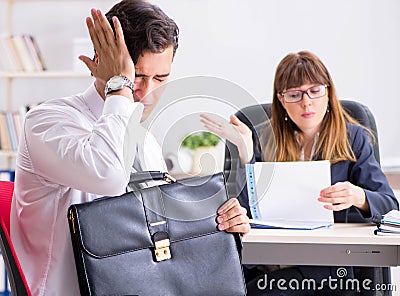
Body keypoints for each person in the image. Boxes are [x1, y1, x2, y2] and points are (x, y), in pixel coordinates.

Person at [10, 1, 250, 295]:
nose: (147, 92)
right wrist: (118, 85)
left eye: (160, 78)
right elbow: (108, 177)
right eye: (136, 76)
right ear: (103, 62)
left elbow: (152, 225)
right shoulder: (46, 122)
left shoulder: (144, 139)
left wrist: (215, 219)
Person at [201, 50, 398, 295]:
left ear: (328, 93)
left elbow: (391, 206)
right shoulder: (263, 140)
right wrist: (246, 157)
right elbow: (241, 218)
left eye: (314, 91)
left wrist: (359, 196)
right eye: (294, 94)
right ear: (282, 101)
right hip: (274, 264)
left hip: (331, 269)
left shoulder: (353, 138)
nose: (306, 102)